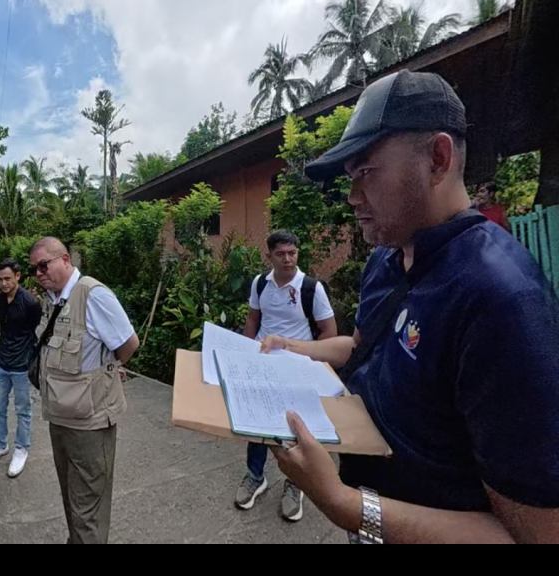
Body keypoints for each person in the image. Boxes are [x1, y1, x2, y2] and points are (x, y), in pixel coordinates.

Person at [263, 70, 559, 543]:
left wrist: (343, 504)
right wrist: (294, 349)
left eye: (366, 173)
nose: (352, 198)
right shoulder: (386, 259)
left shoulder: (501, 299)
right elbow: (362, 347)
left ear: (438, 159)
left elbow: (536, 536)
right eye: (350, 178)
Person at [29, 237, 139, 543]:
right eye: (34, 269)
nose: (38, 273)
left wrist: (109, 369)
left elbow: (128, 344)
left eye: (43, 265)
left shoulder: (93, 295)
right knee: (71, 498)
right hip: (60, 418)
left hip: (90, 423)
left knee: (88, 507)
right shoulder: (53, 300)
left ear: (65, 259)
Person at [235, 230, 336, 521]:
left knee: (296, 427)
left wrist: (314, 365)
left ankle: (296, 483)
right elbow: (253, 318)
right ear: (269, 256)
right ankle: (255, 476)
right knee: (256, 422)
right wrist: (244, 354)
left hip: (297, 368)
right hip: (263, 365)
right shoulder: (260, 283)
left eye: (292, 253)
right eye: (281, 254)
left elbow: (329, 331)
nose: (288, 259)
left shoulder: (311, 288)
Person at [0, 259, 42, 477]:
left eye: (7, 278)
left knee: (23, 410)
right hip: (2, 364)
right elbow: (4, 329)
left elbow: (32, 332)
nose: (3, 283)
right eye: (0, 279)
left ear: (17, 276)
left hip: (22, 365)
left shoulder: (31, 303)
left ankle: (22, 449)